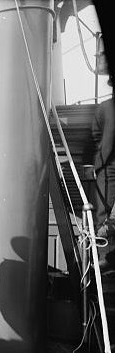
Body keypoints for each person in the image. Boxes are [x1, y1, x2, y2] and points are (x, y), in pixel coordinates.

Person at [93, 75, 115, 268]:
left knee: (104, 214)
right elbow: (97, 134)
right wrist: (99, 163)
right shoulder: (105, 108)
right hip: (108, 167)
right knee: (103, 214)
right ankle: (104, 258)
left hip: (107, 166)